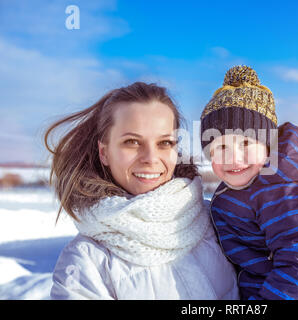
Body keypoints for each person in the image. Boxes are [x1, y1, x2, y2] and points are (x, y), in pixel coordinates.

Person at [45, 82, 239, 300]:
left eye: (164, 142)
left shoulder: (219, 220)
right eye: (132, 142)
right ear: (104, 152)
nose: (150, 158)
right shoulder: (86, 261)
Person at [200, 66, 298, 300]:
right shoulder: (238, 187)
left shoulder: (281, 190)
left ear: (267, 147)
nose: (233, 158)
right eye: (221, 148)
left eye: (246, 144)